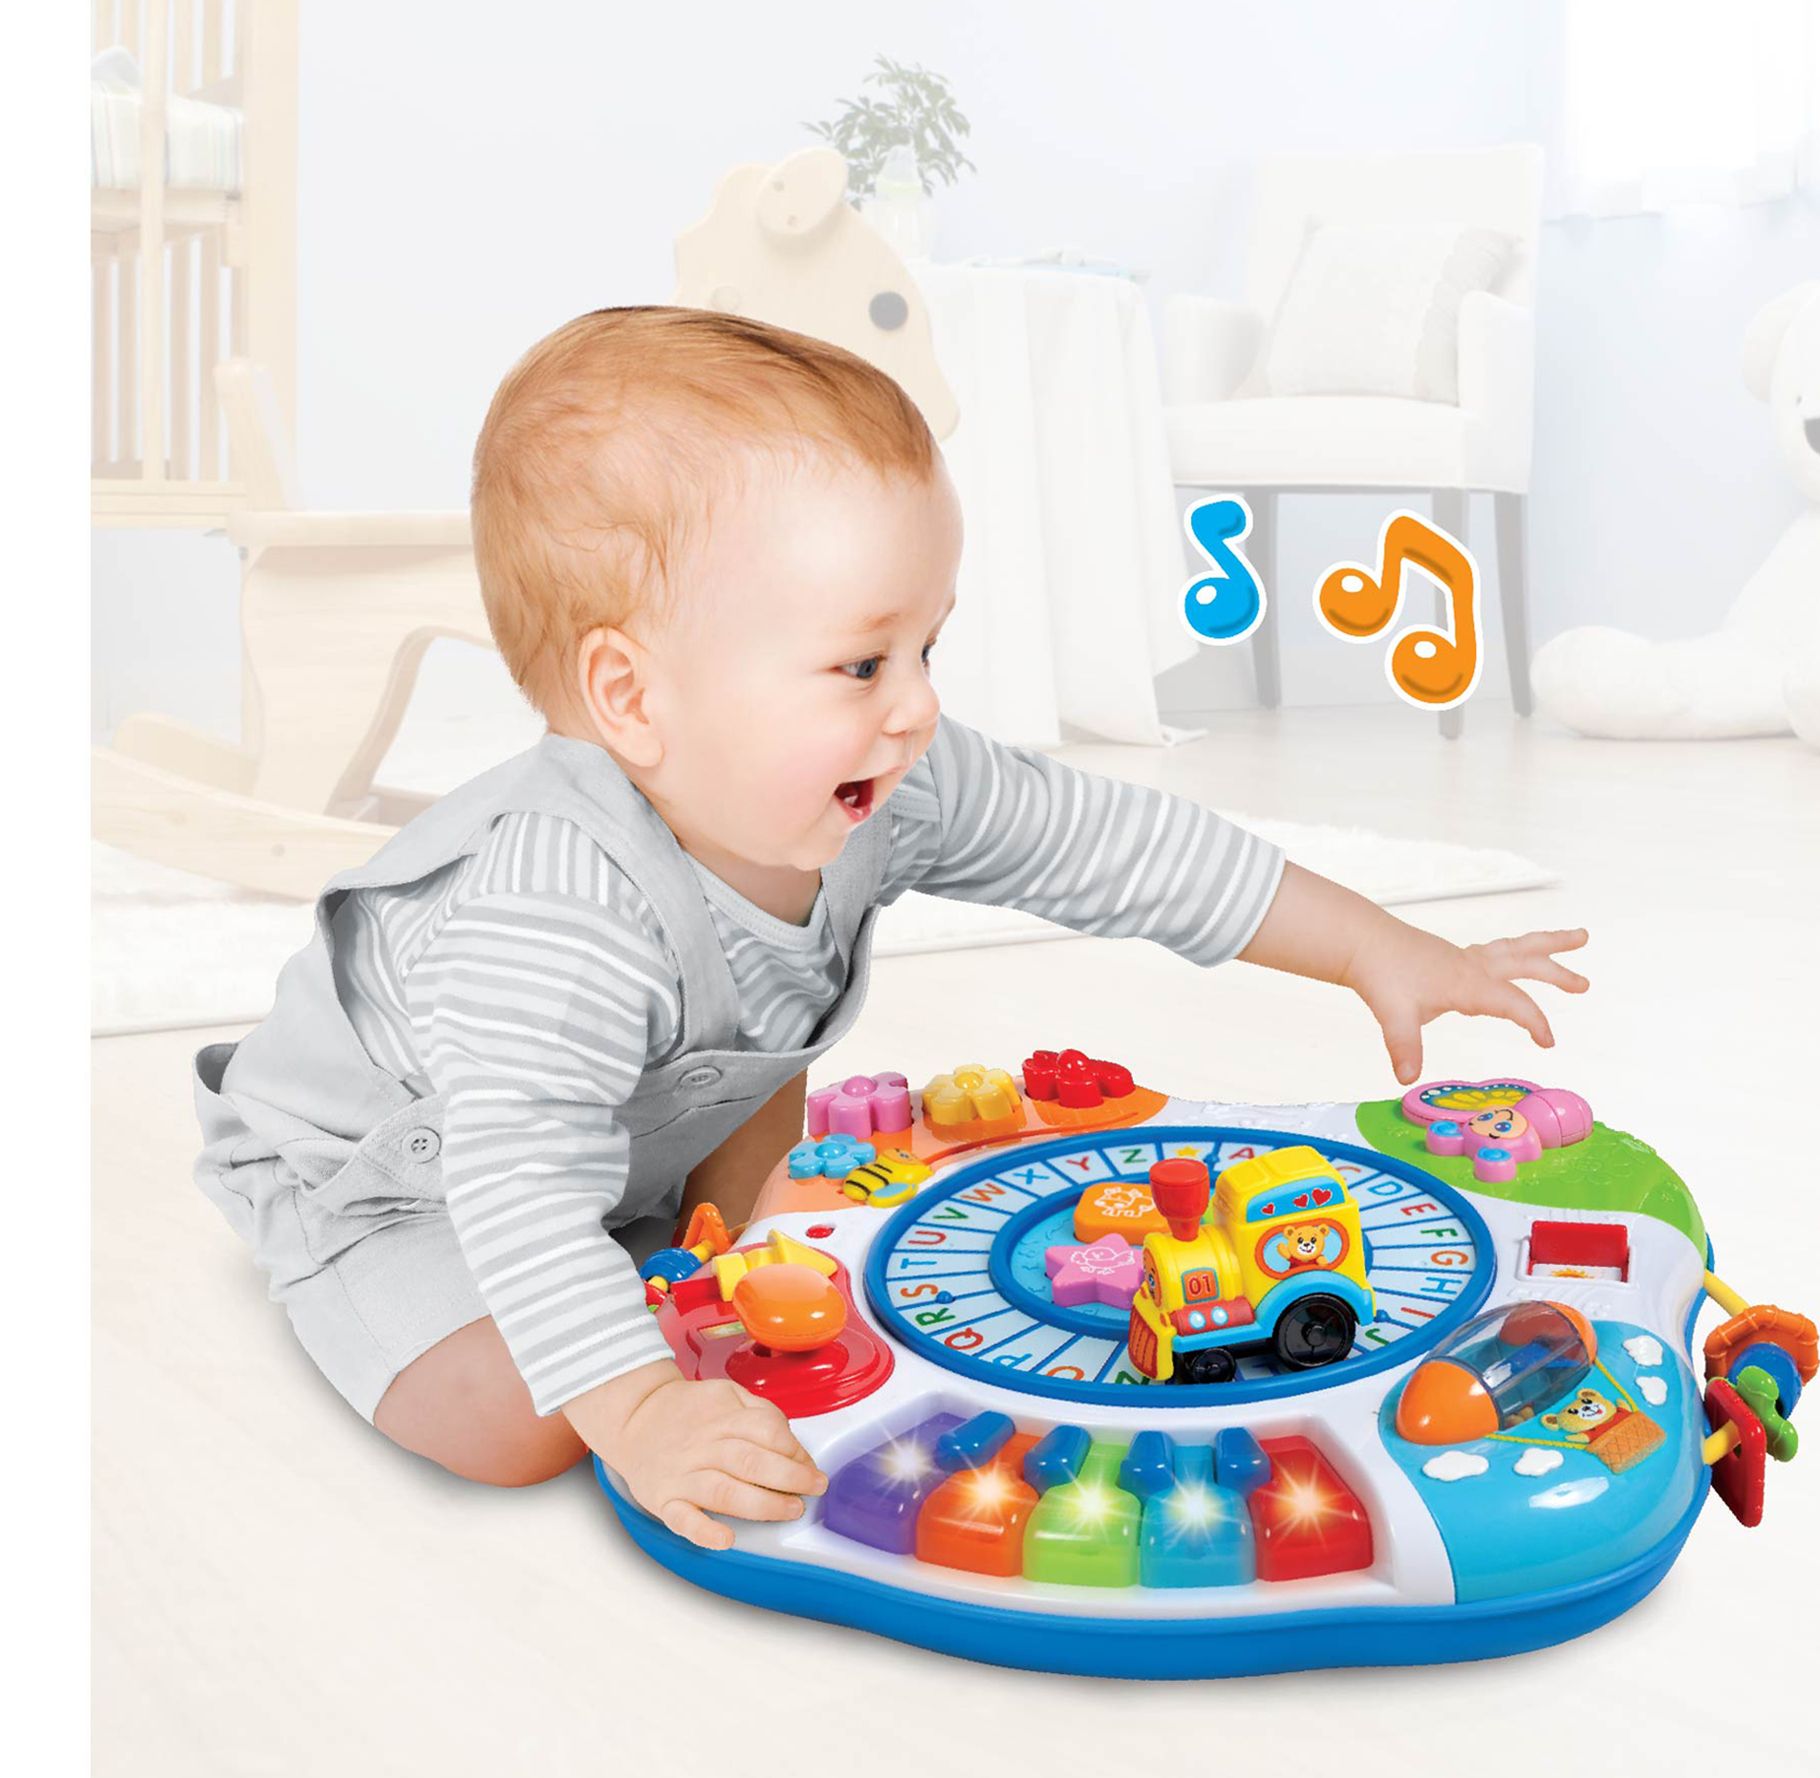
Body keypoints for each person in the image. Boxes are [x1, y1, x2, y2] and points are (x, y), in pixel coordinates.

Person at [192, 307, 1587, 1551]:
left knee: (774, 1084)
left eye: (927, 645)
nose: (915, 703)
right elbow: (515, 1180)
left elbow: (1110, 843)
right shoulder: (555, 910)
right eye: (862, 661)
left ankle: (677, 1237)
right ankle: (487, 1294)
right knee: (522, 1426)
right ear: (632, 698)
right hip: (406, 1172)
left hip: (630, 1108)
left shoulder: (885, 768)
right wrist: (638, 1407)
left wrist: (1370, 945)